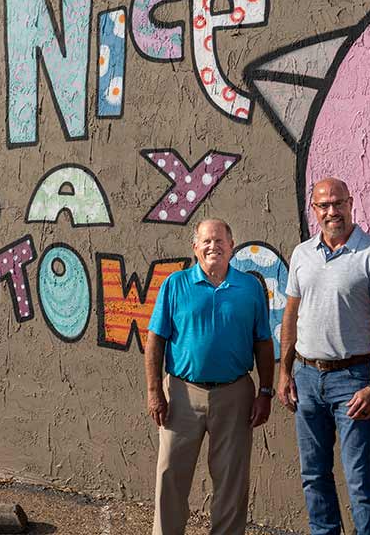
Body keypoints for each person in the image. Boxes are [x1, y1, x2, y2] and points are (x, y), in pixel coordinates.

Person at [278, 177, 370, 535]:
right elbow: (290, 316)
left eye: (338, 203)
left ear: (350, 203)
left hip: (353, 380)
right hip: (306, 377)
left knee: (360, 482)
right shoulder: (302, 254)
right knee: (314, 476)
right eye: (324, 205)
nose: (332, 211)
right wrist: (285, 372)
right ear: (313, 210)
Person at [144, 218, 275, 535]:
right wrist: (153, 391)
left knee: (231, 480)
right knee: (170, 475)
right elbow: (155, 340)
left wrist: (266, 392)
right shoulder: (175, 285)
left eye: (220, 240)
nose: (213, 246)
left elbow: (263, 342)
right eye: (206, 241)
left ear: (232, 246)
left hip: (235, 394)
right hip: (181, 393)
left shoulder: (250, 288)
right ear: (195, 248)